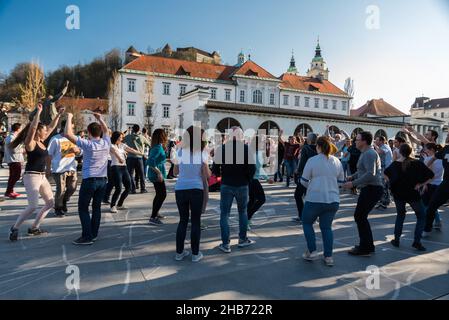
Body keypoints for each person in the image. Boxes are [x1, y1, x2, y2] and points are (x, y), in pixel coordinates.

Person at [8, 104, 64, 241]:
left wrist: (58, 115)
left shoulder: (42, 141)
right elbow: (33, 128)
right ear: (38, 131)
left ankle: (34, 228)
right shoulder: (30, 143)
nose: (46, 132)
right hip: (31, 176)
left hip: (42, 176)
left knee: (50, 203)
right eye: (43, 130)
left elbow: (51, 127)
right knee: (33, 205)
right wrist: (38, 113)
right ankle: (14, 228)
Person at [65, 112, 111, 245]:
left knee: (83, 208)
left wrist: (69, 117)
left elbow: (68, 134)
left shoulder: (88, 144)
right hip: (102, 180)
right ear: (100, 133)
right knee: (96, 208)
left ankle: (87, 236)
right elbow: (106, 130)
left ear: (89, 133)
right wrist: (100, 119)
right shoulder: (106, 142)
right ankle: (93, 234)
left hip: (90, 180)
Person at [300, 136, 345, 266]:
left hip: (314, 198)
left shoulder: (312, 160)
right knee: (326, 228)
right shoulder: (337, 161)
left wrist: (313, 187)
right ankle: (328, 256)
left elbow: (303, 180)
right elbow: (341, 182)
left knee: (307, 223)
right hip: (332, 200)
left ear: (318, 147)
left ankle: (312, 251)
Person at [212, 127, 256, 253]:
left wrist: (222, 173)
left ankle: (225, 244)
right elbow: (252, 169)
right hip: (242, 184)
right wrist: (247, 179)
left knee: (225, 214)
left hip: (227, 183)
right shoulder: (246, 149)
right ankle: (242, 239)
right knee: (242, 212)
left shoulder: (222, 149)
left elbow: (215, 168)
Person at [384, 143, 434, 251]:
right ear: (411, 151)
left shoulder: (394, 164)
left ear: (400, 152)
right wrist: (420, 184)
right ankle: (417, 241)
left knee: (400, 215)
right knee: (421, 216)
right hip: (412, 194)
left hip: (398, 194)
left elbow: (385, 174)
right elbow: (431, 175)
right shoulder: (417, 163)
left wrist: (391, 183)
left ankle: (396, 239)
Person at [343, 131, 384, 256]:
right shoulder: (365, 153)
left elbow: (370, 174)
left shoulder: (369, 154)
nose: (355, 141)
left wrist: (353, 183)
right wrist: (352, 176)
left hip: (372, 188)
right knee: (360, 216)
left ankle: (365, 247)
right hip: (369, 188)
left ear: (364, 141)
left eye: (357, 139)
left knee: (360, 216)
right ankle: (367, 245)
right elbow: (363, 171)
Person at [173, 126, 211, 262]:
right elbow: (207, 175)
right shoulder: (202, 153)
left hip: (181, 188)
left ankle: (179, 252)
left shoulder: (180, 151)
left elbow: (175, 172)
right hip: (196, 188)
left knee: (183, 220)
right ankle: (195, 254)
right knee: (196, 221)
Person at [47, 121, 81, 217]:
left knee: (72, 188)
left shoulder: (74, 139)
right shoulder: (55, 139)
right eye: (71, 127)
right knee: (60, 189)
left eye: (73, 128)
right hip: (59, 169)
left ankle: (64, 201)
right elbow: (49, 155)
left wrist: (77, 151)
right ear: (64, 127)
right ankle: (58, 208)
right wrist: (48, 168)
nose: (72, 130)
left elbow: (79, 151)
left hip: (71, 167)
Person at [109, 131, 144, 213]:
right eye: (120, 137)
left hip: (124, 167)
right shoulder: (111, 145)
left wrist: (141, 154)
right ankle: (113, 205)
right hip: (115, 167)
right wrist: (120, 158)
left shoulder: (122, 145)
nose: (122, 138)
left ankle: (120, 204)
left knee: (129, 187)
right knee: (119, 188)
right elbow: (115, 152)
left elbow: (131, 150)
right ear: (116, 137)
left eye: (122, 137)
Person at [423, 132, 449, 236]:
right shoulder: (446, 149)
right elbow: (433, 158)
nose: (447, 136)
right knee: (432, 205)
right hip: (446, 183)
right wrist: (426, 170)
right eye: (447, 135)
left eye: (448, 135)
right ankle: (427, 229)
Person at [293, 132, 318, 223]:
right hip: (315, 175)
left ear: (310, 139)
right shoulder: (319, 149)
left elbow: (303, 162)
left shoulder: (306, 148)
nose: (306, 139)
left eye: (307, 138)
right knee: (310, 196)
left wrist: (298, 171)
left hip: (305, 175)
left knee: (298, 195)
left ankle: (303, 216)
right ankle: (312, 216)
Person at [147, 129, 168, 225]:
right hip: (155, 174)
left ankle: (155, 213)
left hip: (156, 173)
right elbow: (150, 162)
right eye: (165, 135)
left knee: (159, 194)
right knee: (162, 194)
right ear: (162, 136)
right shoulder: (157, 148)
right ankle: (153, 217)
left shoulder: (158, 146)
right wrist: (159, 173)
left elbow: (158, 159)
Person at [247, 134, 268, 230]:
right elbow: (257, 168)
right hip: (252, 180)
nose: (263, 144)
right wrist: (267, 178)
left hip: (250, 179)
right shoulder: (254, 153)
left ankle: (245, 219)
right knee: (261, 199)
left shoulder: (254, 151)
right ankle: (247, 218)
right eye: (262, 142)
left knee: (252, 200)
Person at [422, 143, 443, 230]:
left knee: (426, 205)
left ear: (431, 150)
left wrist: (424, 184)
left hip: (430, 185)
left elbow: (428, 174)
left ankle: (426, 223)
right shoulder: (441, 159)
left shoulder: (428, 159)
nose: (424, 150)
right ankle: (437, 221)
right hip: (439, 184)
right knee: (433, 205)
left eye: (426, 149)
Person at [124, 125, 151, 194]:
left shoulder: (128, 137)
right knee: (141, 174)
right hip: (139, 158)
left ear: (132, 129)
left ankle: (132, 189)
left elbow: (122, 141)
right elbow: (149, 144)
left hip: (130, 157)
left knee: (130, 174)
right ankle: (142, 189)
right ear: (139, 130)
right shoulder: (142, 137)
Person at [4, 123, 24, 198]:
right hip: (14, 159)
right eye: (21, 128)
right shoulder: (11, 138)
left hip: (15, 159)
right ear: (18, 129)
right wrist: (23, 149)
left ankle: (10, 191)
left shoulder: (13, 137)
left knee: (12, 176)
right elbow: (14, 149)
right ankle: (9, 191)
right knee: (16, 176)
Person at [373, 135, 393, 210]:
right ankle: (386, 201)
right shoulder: (382, 147)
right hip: (384, 169)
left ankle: (384, 203)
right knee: (385, 186)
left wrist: (374, 145)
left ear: (381, 141)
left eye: (377, 140)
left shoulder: (385, 147)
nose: (375, 141)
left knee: (384, 186)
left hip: (386, 170)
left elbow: (379, 152)